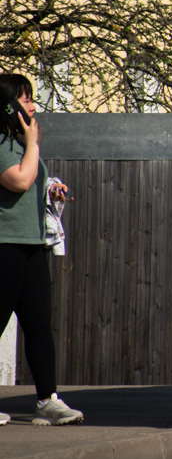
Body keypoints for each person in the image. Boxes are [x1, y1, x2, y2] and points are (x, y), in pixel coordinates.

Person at [0, 73, 82, 426]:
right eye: (24, 98)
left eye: (31, 98)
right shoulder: (4, 143)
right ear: (7, 105)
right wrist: (33, 144)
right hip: (4, 245)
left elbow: (30, 180)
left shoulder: (20, 143)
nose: (32, 105)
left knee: (38, 325)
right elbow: (17, 180)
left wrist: (52, 189)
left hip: (31, 244)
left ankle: (48, 399)